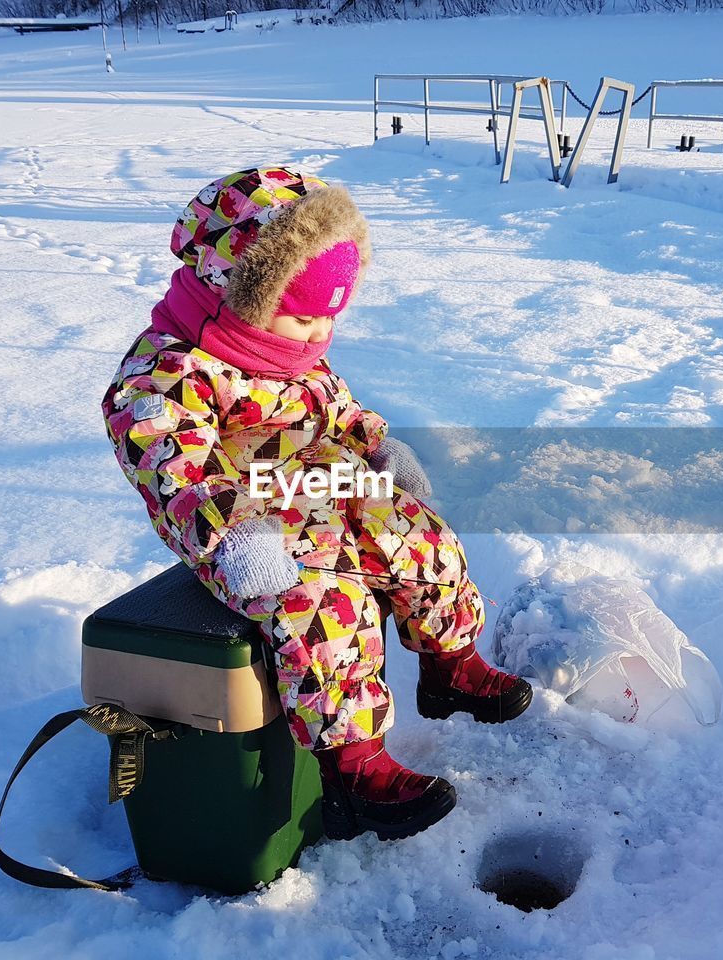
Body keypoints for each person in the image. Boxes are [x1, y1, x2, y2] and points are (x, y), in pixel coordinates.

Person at [102, 166, 532, 841]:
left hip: (325, 487)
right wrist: (237, 535)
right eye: (301, 315)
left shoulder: (296, 357)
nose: (313, 336)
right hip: (248, 524)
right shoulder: (169, 373)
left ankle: (449, 666)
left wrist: (379, 448)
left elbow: (336, 411)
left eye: (328, 318)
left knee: (421, 539)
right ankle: (353, 768)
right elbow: (171, 469)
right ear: (236, 288)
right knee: (327, 607)